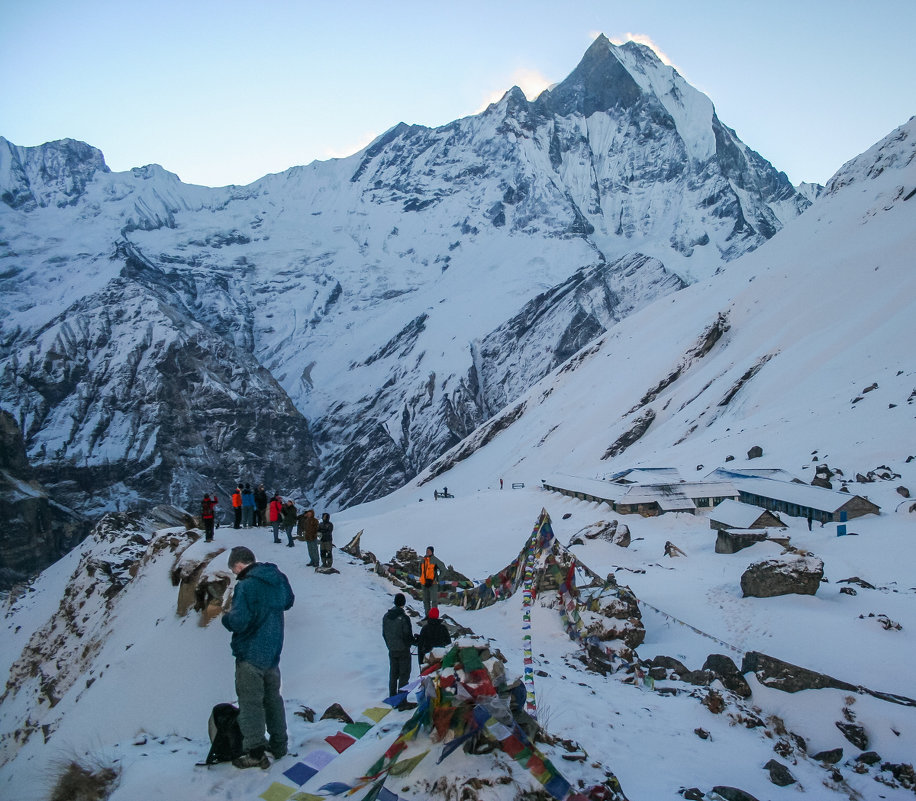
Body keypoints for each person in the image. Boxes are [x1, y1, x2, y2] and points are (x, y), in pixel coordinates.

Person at [221, 546, 294, 769]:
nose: (235, 574)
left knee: (250, 703)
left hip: (250, 652)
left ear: (239, 565)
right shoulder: (277, 578)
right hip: (273, 651)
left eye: (234, 570)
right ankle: (280, 745)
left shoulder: (246, 585)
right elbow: (288, 601)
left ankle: (255, 752)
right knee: (273, 699)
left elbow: (240, 622)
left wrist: (226, 619)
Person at [382, 593, 415, 703]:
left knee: (393, 674)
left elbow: (384, 634)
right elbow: (407, 635)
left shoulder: (386, 616)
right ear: (403, 603)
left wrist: (389, 645)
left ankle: (392, 696)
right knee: (404, 675)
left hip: (392, 649)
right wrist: (412, 643)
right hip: (403, 650)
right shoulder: (404, 618)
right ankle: (401, 700)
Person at [419, 546, 446, 616]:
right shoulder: (423, 560)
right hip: (424, 583)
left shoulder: (435, 560)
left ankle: (434, 616)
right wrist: (421, 578)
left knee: (434, 601)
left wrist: (438, 579)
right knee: (425, 600)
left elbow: (443, 569)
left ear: (432, 552)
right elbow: (420, 569)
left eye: (429, 550)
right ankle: (427, 616)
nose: (427, 552)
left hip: (433, 583)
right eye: (427, 550)